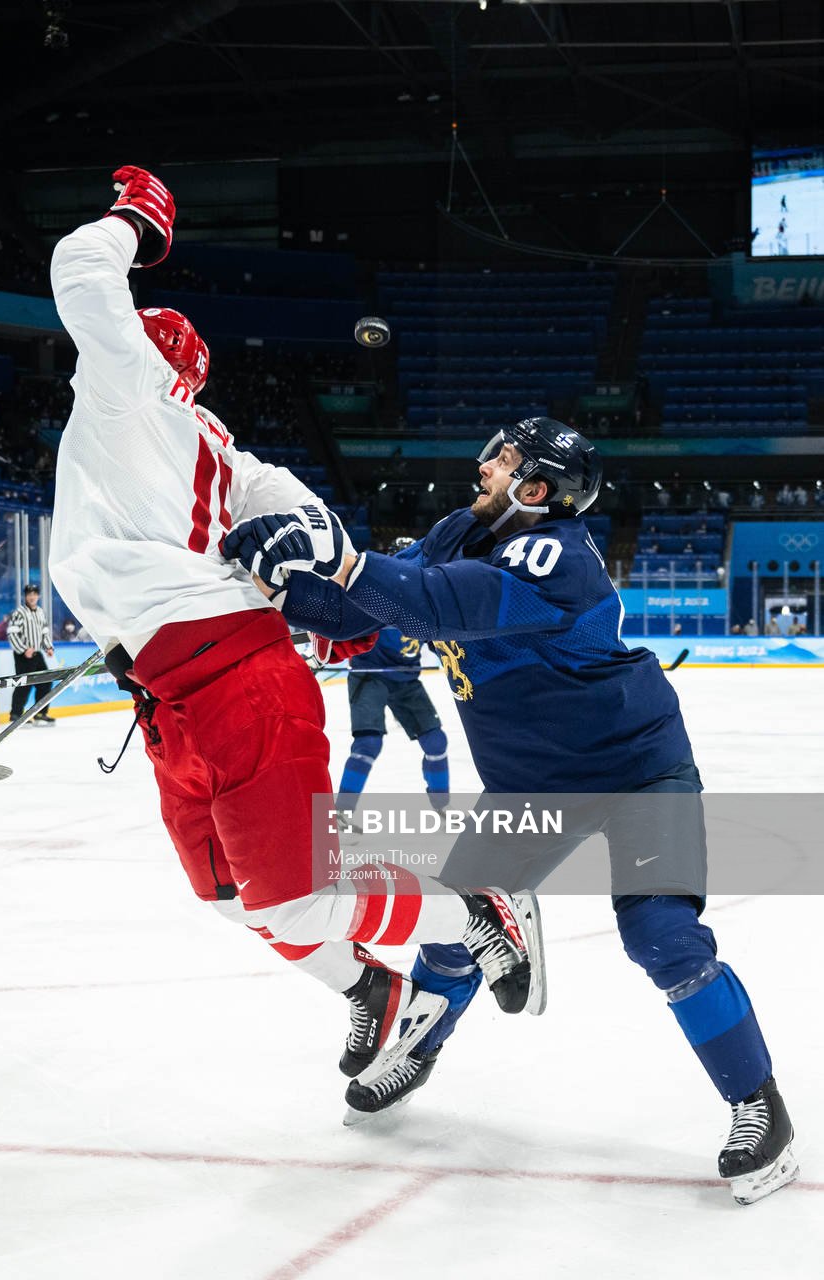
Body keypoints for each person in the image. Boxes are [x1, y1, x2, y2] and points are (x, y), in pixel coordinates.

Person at [47, 165, 540, 1091]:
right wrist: (326, 606)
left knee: (299, 896)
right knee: (233, 897)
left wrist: (136, 217)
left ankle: (473, 907)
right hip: (173, 699)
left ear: (158, 362)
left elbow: (80, 266)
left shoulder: (128, 390)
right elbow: (319, 534)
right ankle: (370, 990)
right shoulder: (226, 457)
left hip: (235, 685)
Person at [226, 417, 797, 1205]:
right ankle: (418, 1047)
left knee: (662, 936)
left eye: (505, 458)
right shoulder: (459, 528)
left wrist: (347, 559)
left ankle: (758, 1108)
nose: (485, 463)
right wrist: (276, 585)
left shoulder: (555, 555)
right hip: (528, 792)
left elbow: (432, 607)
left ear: (537, 489)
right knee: (455, 920)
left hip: (636, 772)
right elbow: (362, 617)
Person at [330, 536, 449, 827]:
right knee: (368, 744)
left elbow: (440, 641)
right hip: (371, 677)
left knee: (436, 742)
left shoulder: (427, 597)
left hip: (407, 679)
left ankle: (442, 806)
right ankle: (341, 813)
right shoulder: (371, 593)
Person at [6, 583, 56, 724]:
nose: (32, 596)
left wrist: (48, 647)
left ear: (38, 596)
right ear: (25, 596)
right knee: (24, 684)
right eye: (29, 594)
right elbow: (12, 634)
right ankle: (15, 715)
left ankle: (40, 714)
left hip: (37, 654)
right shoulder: (19, 612)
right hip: (23, 655)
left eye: (34, 594)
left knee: (46, 682)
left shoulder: (40, 611)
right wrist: (23, 649)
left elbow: (44, 632)